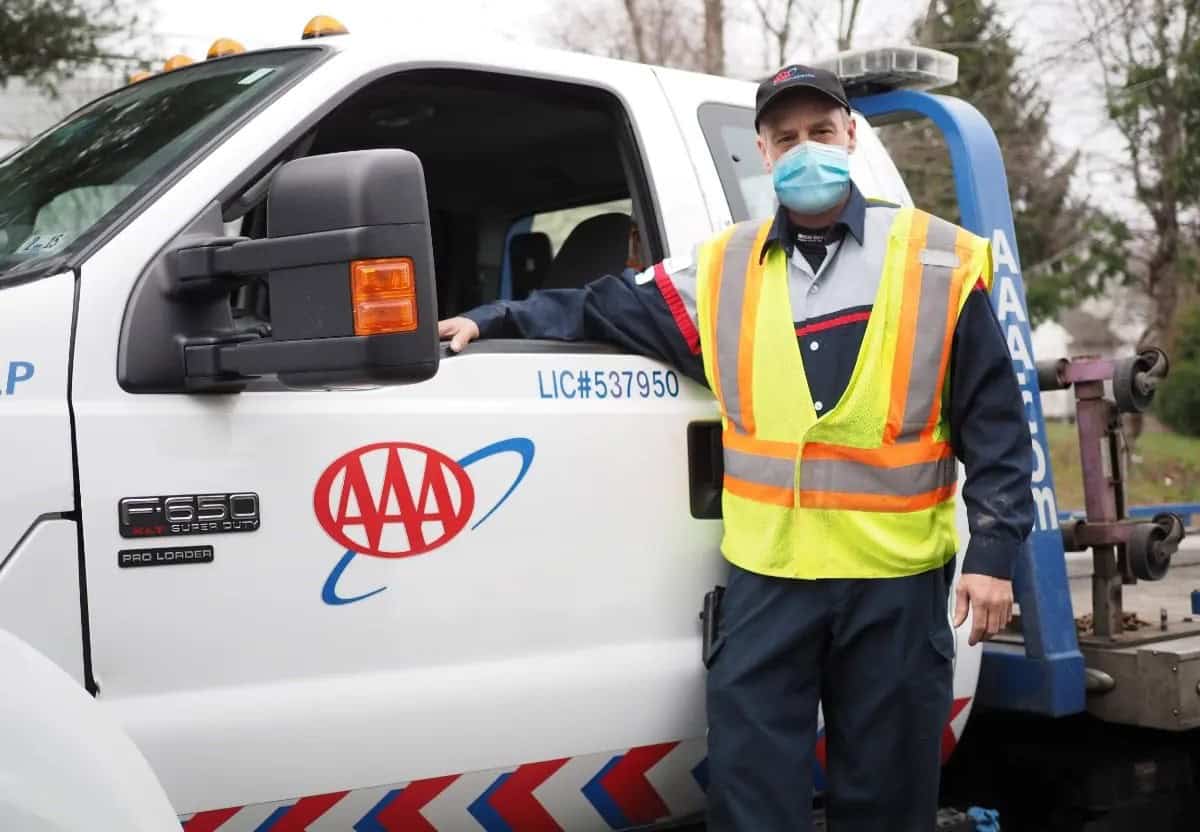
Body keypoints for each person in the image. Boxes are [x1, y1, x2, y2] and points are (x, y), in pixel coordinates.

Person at [439, 64, 1034, 832]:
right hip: (770, 581)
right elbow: (602, 306)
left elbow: (997, 421)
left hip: (894, 579)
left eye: (821, 132)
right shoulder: (720, 268)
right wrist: (494, 318)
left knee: (888, 800)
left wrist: (994, 554)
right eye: (786, 138)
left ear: (850, 134)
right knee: (753, 799)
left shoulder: (938, 259)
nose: (805, 150)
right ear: (762, 152)